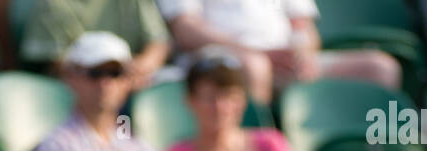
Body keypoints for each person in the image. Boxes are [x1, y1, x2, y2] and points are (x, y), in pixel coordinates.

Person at [158, 0, 403, 106]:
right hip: (222, 59)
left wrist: (303, 54)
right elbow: (186, 29)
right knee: (255, 67)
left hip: (285, 61)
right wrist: (255, 53)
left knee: (380, 68)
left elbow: (304, 27)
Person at [22, 30, 171, 151]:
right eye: (95, 73)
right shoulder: (55, 148)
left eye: (115, 73)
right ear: (70, 77)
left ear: (128, 80)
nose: (105, 83)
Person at [167, 46, 306, 151]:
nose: (220, 107)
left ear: (243, 100)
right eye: (209, 97)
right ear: (191, 100)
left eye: (229, 96)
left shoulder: (271, 145)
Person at [20, 0, 171, 87]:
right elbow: (56, 63)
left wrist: (140, 68)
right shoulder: (53, 4)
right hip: (81, 92)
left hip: (131, 86)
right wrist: (109, 74)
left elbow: (158, 41)